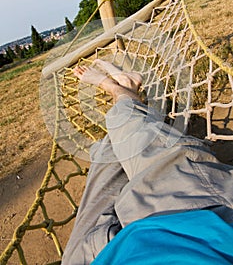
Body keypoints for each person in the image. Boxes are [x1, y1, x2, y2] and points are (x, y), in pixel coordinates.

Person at [62, 60, 233, 265]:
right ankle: (120, 90)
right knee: (124, 123)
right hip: (187, 221)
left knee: (103, 151)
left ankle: (122, 90)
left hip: (95, 256)